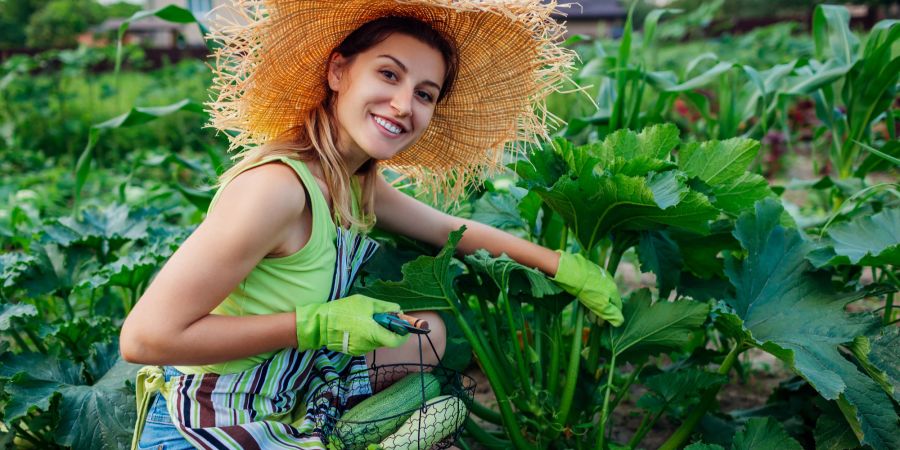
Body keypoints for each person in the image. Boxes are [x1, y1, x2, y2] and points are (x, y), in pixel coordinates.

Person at [120, 0, 624, 449]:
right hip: (203, 424)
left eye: (425, 94)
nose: (404, 105)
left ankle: (326, 433)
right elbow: (145, 339)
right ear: (339, 71)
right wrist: (316, 325)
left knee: (425, 333)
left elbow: (453, 230)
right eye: (388, 74)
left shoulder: (354, 180)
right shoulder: (273, 191)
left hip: (281, 395)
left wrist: (564, 267)